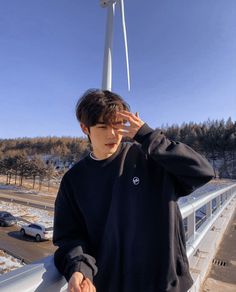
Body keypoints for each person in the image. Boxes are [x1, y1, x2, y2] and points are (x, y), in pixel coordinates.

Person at [53, 89, 214, 292]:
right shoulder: (74, 180)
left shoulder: (151, 158)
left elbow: (202, 172)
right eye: (103, 126)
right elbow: (69, 236)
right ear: (85, 128)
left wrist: (149, 137)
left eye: (117, 125)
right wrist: (78, 268)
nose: (113, 134)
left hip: (166, 286)